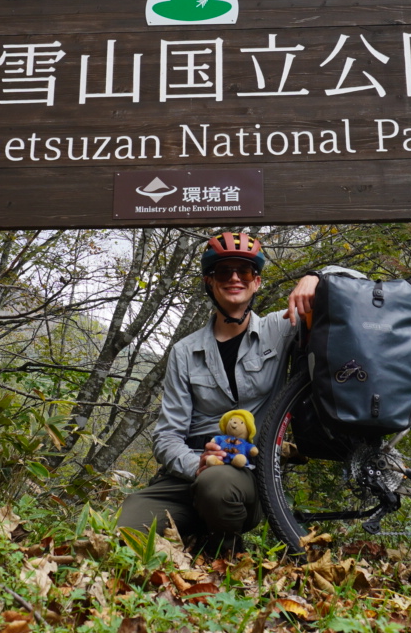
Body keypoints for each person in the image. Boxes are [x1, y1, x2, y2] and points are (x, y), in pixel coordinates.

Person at [115, 232, 320, 553]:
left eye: (245, 271)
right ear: (210, 282)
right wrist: (197, 465)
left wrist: (316, 278)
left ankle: (225, 550)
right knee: (126, 534)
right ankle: (197, 528)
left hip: (247, 472)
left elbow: (353, 286)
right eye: (224, 272)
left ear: (257, 282)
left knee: (218, 484)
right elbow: (167, 437)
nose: (235, 278)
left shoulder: (280, 329)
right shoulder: (185, 351)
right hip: (187, 474)